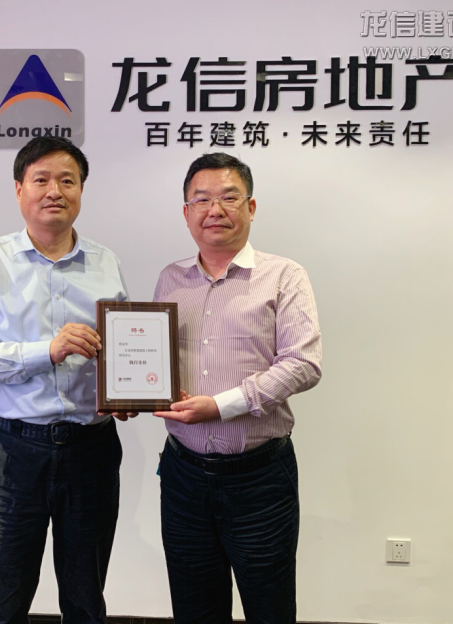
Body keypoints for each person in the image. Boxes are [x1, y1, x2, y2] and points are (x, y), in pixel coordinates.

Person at [0, 136, 130, 624]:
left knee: (86, 598)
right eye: (41, 179)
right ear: (19, 189)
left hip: (91, 448)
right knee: (5, 599)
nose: (55, 191)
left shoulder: (106, 263)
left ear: (81, 190)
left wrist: (125, 393)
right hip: (11, 450)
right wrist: (46, 351)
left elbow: (123, 348)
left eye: (67, 180)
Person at [153, 153, 322, 624]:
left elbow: (304, 363)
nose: (215, 210)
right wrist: (130, 394)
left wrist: (222, 406)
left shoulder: (284, 275)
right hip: (183, 476)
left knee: (269, 609)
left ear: (250, 207)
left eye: (229, 198)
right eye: (201, 200)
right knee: (194, 608)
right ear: (186, 212)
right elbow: (152, 359)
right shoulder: (171, 279)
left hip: (259, 478)